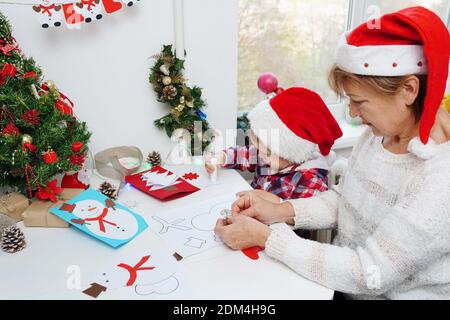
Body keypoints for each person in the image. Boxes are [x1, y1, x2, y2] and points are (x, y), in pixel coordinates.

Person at [215, 6, 450, 299]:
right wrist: (281, 211)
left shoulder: (440, 179)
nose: (351, 112)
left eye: (359, 101)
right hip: (340, 287)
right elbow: (345, 198)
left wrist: (266, 236)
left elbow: (369, 273)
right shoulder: (377, 137)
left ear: (408, 90)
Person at [205, 87, 342, 201]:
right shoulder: (269, 154)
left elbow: (308, 215)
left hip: (278, 231)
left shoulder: (310, 180)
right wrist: (221, 157)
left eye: (268, 154)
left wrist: (273, 202)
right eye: (260, 150)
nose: (262, 157)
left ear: (290, 152)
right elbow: (244, 154)